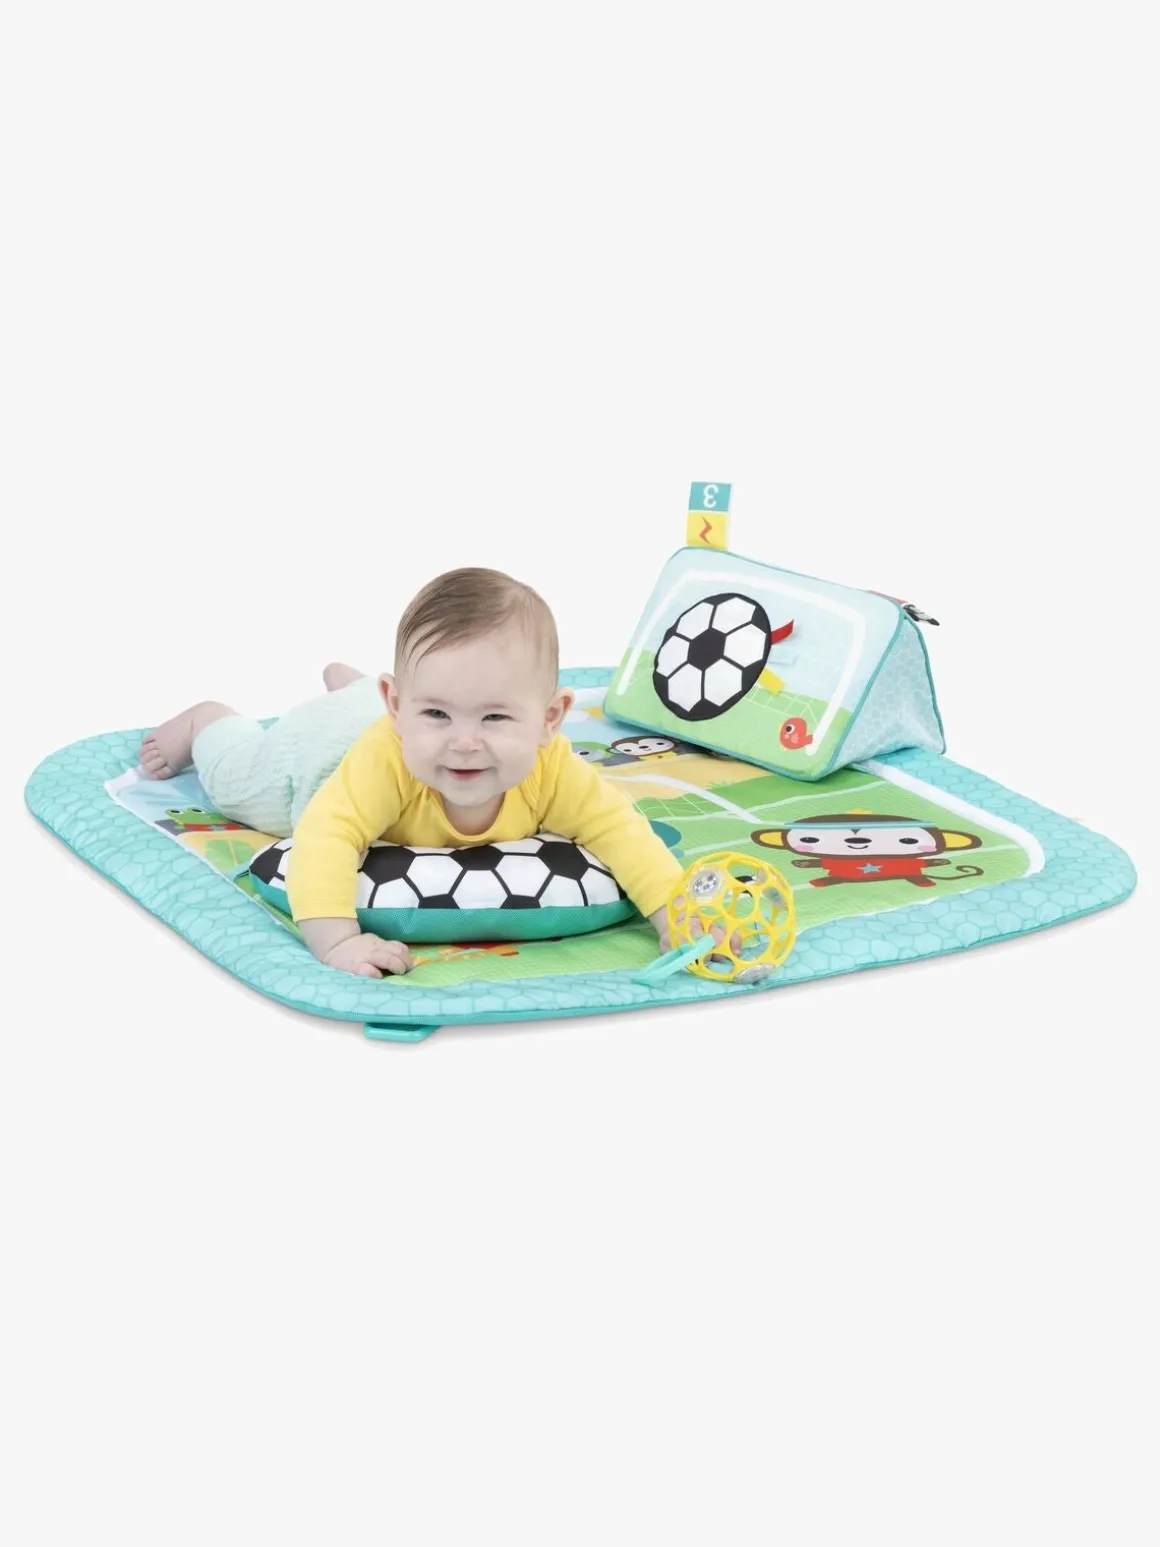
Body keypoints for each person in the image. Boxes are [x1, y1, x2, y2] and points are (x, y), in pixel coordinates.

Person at [139, 567, 687, 978]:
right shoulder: (384, 761)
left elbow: (620, 829)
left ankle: (356, 687)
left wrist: (675, 917)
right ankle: (209, 720)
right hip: (311, 759)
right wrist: (338, 942)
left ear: (550, 719)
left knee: (409, 700)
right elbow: (326, 835)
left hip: (379, 709)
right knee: (236, 781)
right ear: (397, 707)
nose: (464, 743)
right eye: (438, 714)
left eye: (495, 717)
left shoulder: (553, 767)